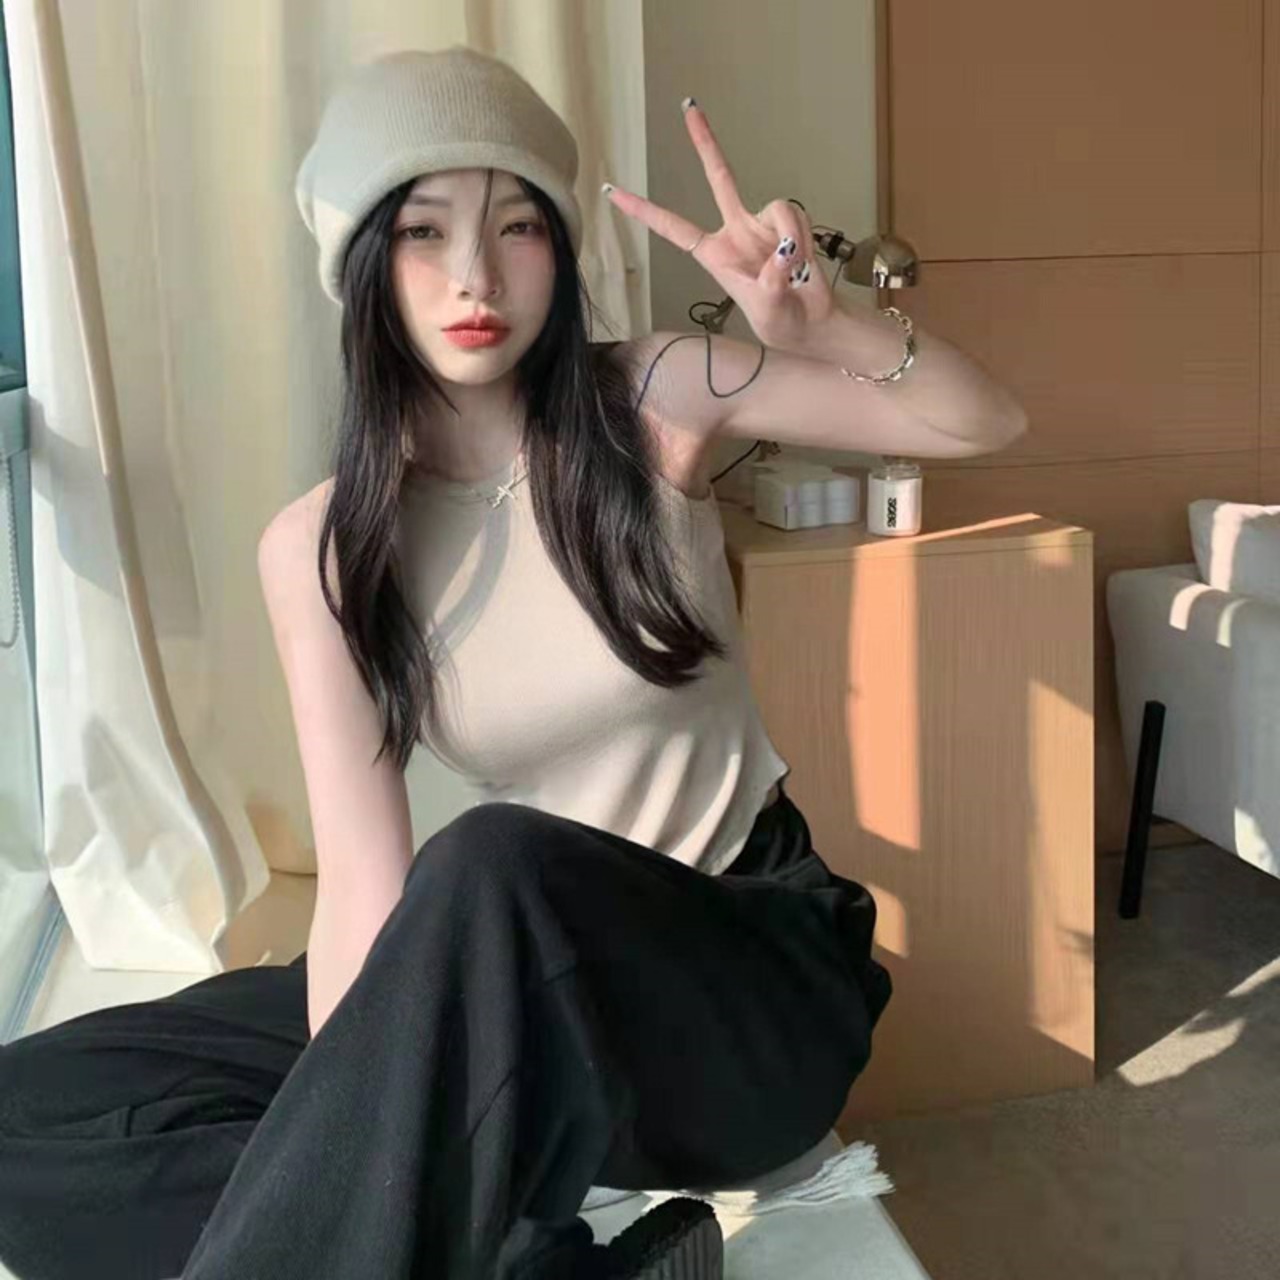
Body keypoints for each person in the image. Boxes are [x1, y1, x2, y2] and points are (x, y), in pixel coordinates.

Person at [0, 46, 892, 1280]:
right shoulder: (324, 545)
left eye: (515, 226)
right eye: (422, 231)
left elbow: (977, 418)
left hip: (737, 992)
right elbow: (361, 888)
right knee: (27, 1113)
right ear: (363, 266)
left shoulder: (648, 403)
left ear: (557, 254)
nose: (473, 274)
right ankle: (525, 1263)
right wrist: (365, 1103)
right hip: (533, 1000)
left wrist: (834, 326)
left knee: (484, 858)